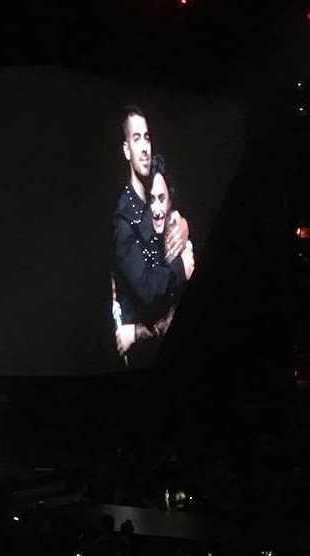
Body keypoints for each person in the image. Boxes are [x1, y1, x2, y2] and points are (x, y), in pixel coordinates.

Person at [111, 105, 192, 369]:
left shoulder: (150, 198)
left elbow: (167, 208)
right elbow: (147, 291)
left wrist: (182, 223)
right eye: (137, 139)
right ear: (126, 150)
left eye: (147, 137)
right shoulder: (123, 221)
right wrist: (182, 267)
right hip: (142, 360)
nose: (145, 146)